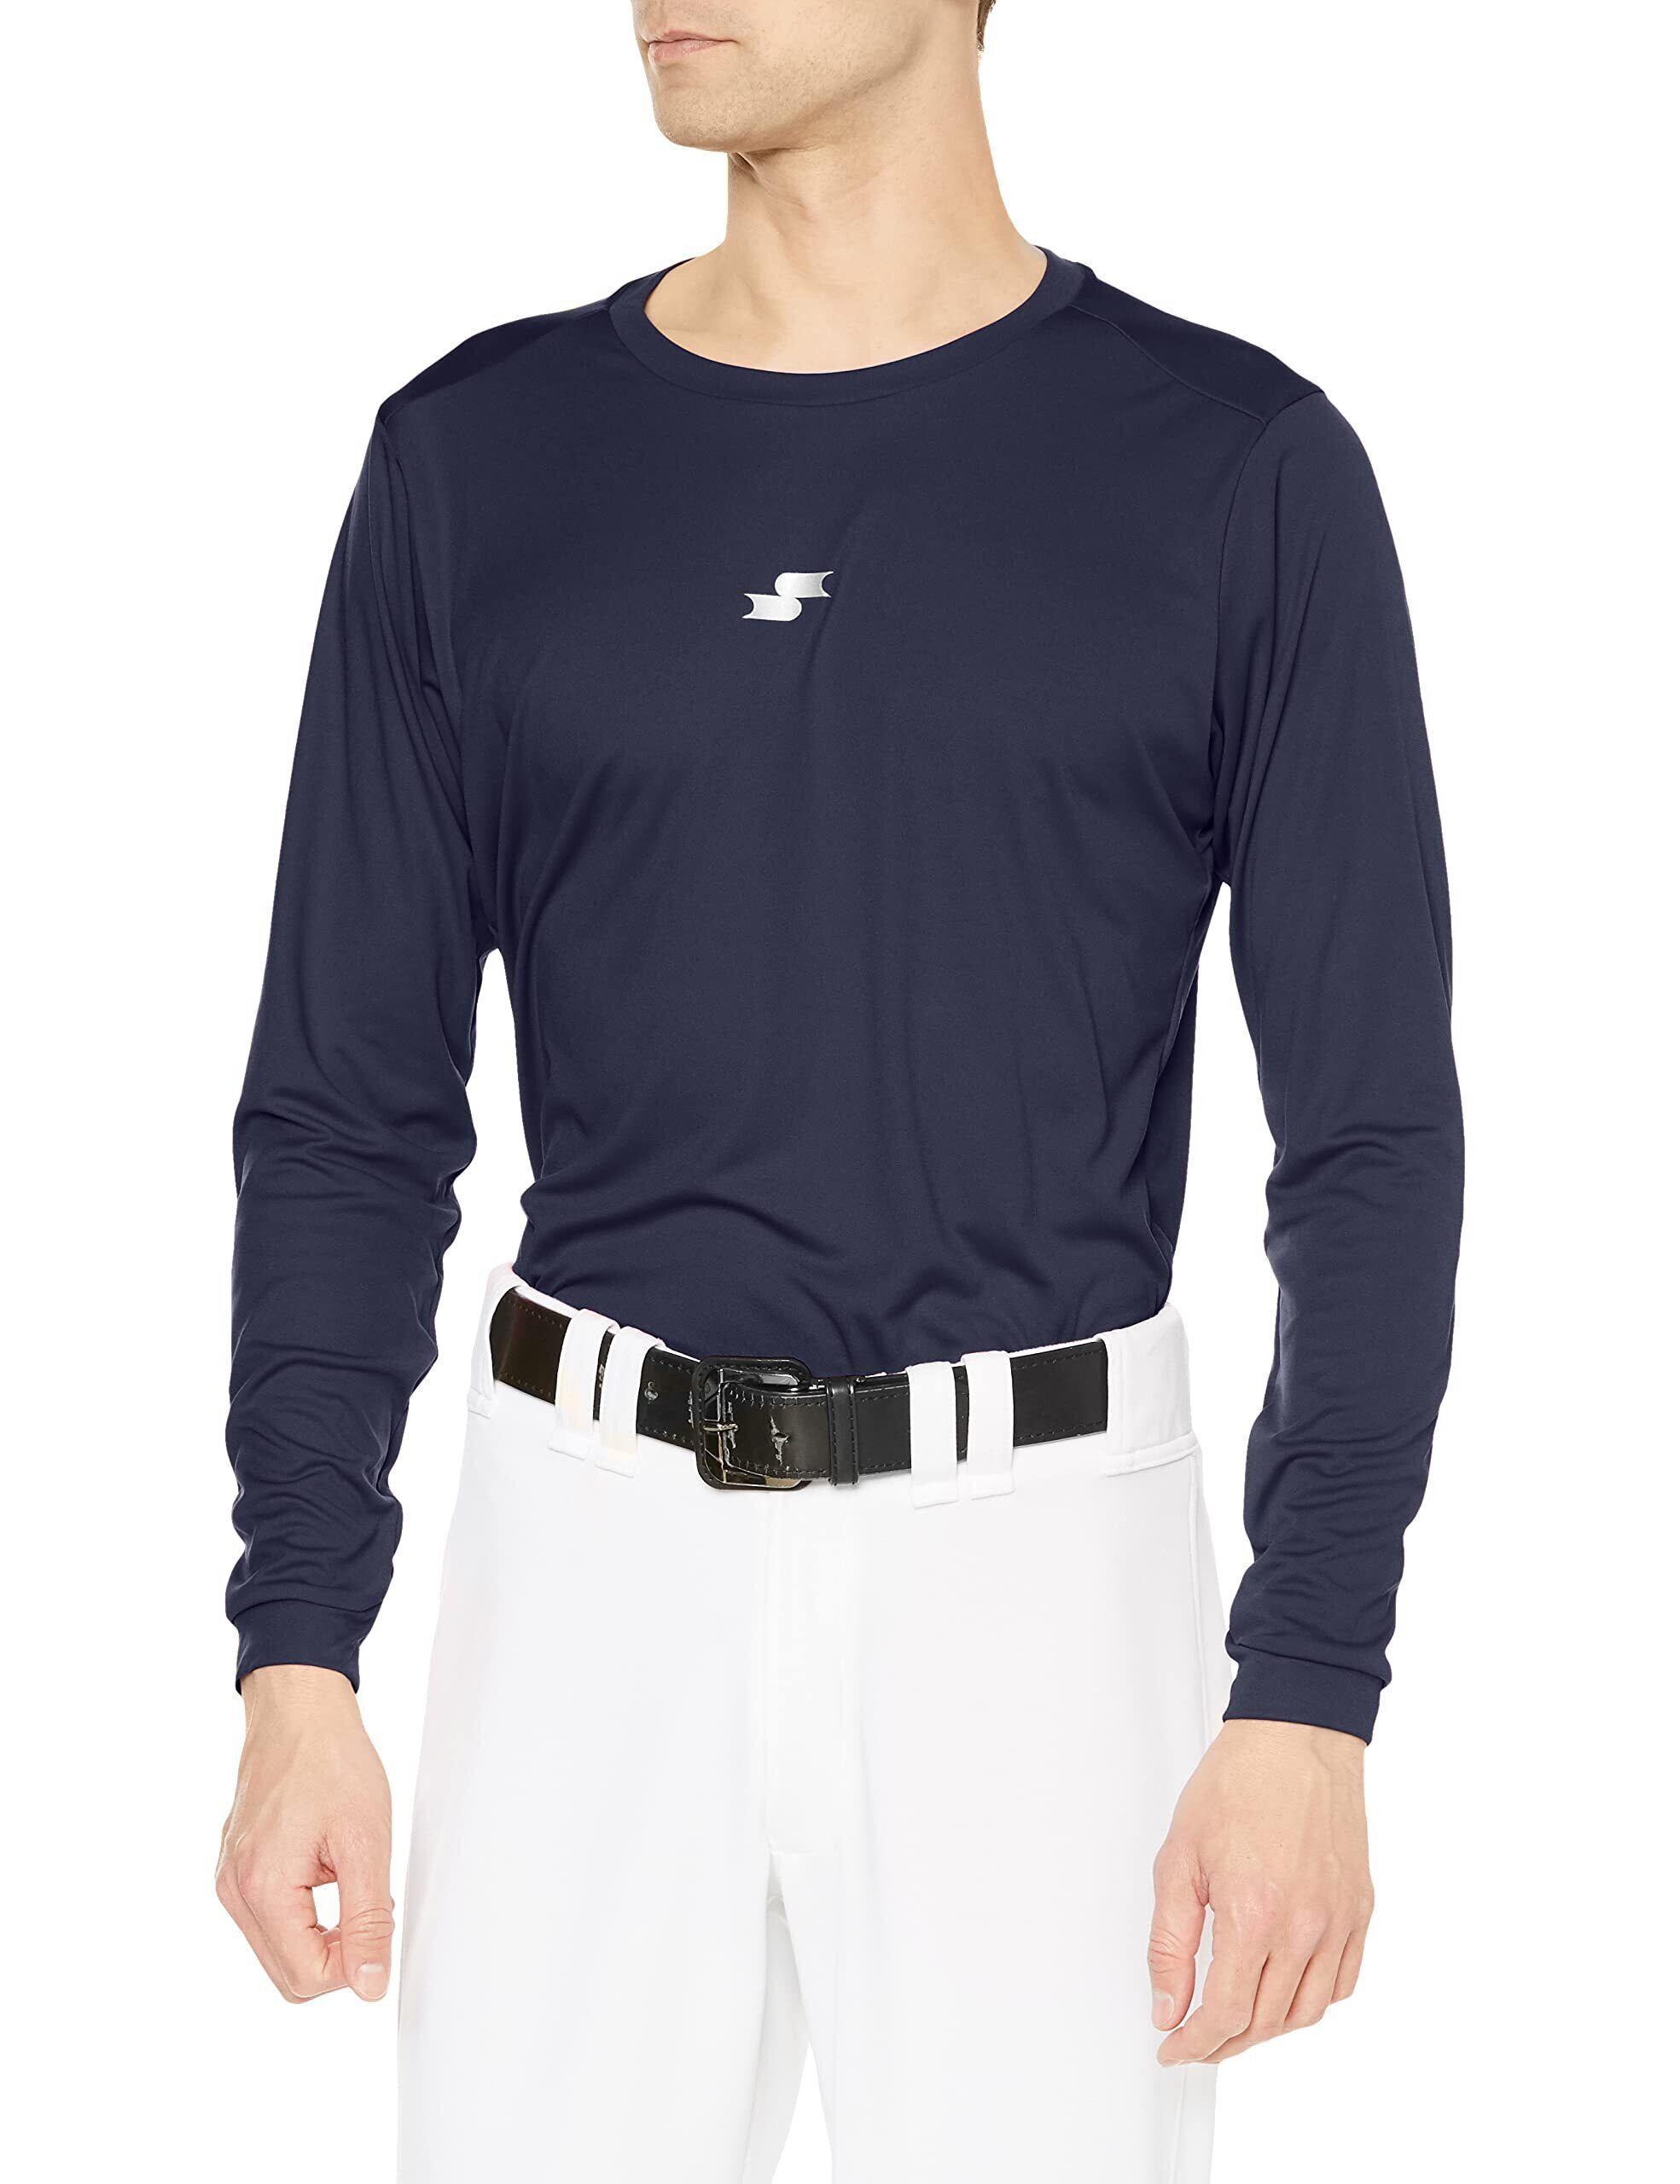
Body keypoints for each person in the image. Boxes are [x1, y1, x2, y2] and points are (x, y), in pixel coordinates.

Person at [217, 4, 1462, 2178]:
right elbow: (345, 1102)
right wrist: (295, 1645)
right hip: (586, 1561)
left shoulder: (1230, 470)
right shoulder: (474, 463)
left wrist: (1306, 1688)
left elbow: (1365, 1139)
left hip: (1038, 1581)